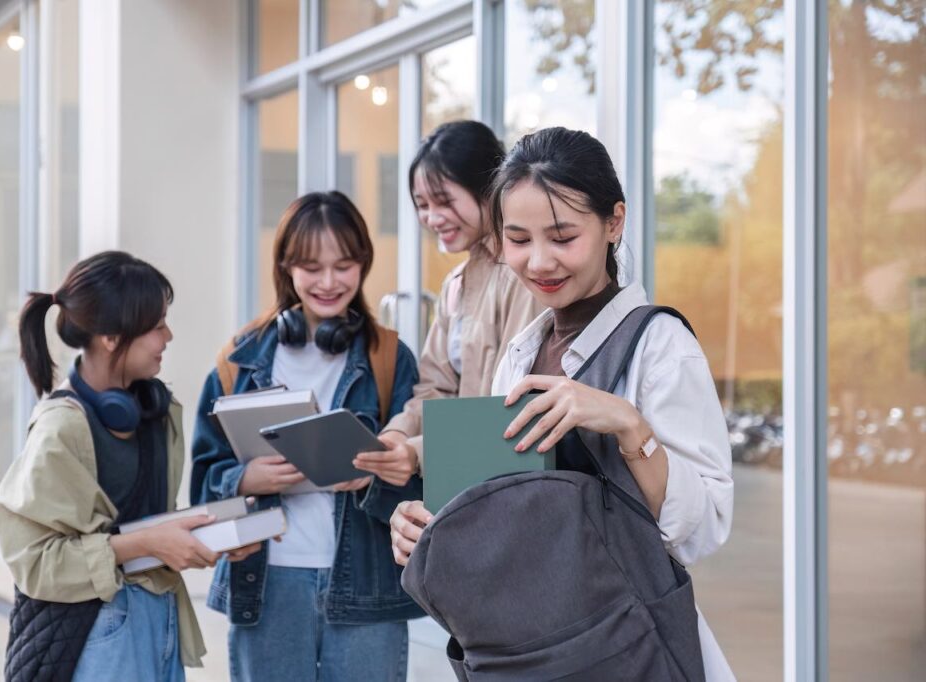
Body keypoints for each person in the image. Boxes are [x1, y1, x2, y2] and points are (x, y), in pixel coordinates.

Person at [392, 127, 736, 679]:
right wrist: (425, 525)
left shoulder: (661, 346)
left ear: (613, 223)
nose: (540, 262)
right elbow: (496, 507)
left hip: (627, 648)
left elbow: (703, 529)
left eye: (562, 236)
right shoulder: (521, 354)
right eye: (519, 239)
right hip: (531, 650)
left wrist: (628, 426)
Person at [0, 251, 259, 682]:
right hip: (100, 628)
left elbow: (145, 523)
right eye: (157, 326)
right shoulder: (61, 429)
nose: (168, 336)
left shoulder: (154, 407)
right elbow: (36, 563)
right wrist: (147, 544)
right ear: (111, 338)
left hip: (158, 615)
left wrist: (213, 536)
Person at [190, 191, 424, 682]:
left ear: (363, 264)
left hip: (366, 587)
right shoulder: (240, 359)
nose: (328, 282)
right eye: (311, 267)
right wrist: (244, 478)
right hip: (267, 583)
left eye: (344, 265)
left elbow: (420, 483)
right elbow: (202, 482)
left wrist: (373, 478)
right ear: (286, 266)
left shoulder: (389, 358)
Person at [353, 121, 543, 544]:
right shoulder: (457, 284)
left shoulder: (524, 274)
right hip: (465, 490)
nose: (431, 217)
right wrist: (398, 436)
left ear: (488, 188)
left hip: (516, 494)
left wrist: (416, 453)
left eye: (443, 200)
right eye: (421, 204)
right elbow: (434, 387)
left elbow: (510, 407)